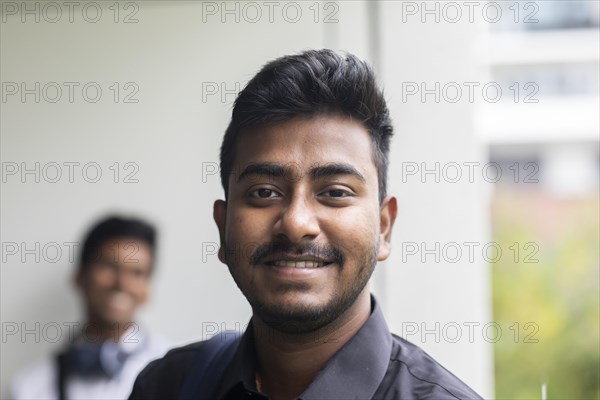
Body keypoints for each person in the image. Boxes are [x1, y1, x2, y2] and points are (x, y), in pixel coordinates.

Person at [129, 49, 482, 399]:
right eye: (264, 192)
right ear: (222, 227)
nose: (296, 223)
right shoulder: (167, 386)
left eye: (335, 192)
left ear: (384, 227)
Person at [12, 216, 171, 400]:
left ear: (147, 291)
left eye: (137, 273)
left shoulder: (179, 371)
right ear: (79, 276)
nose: (122, 284)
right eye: (110, 266)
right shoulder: (29, 388)